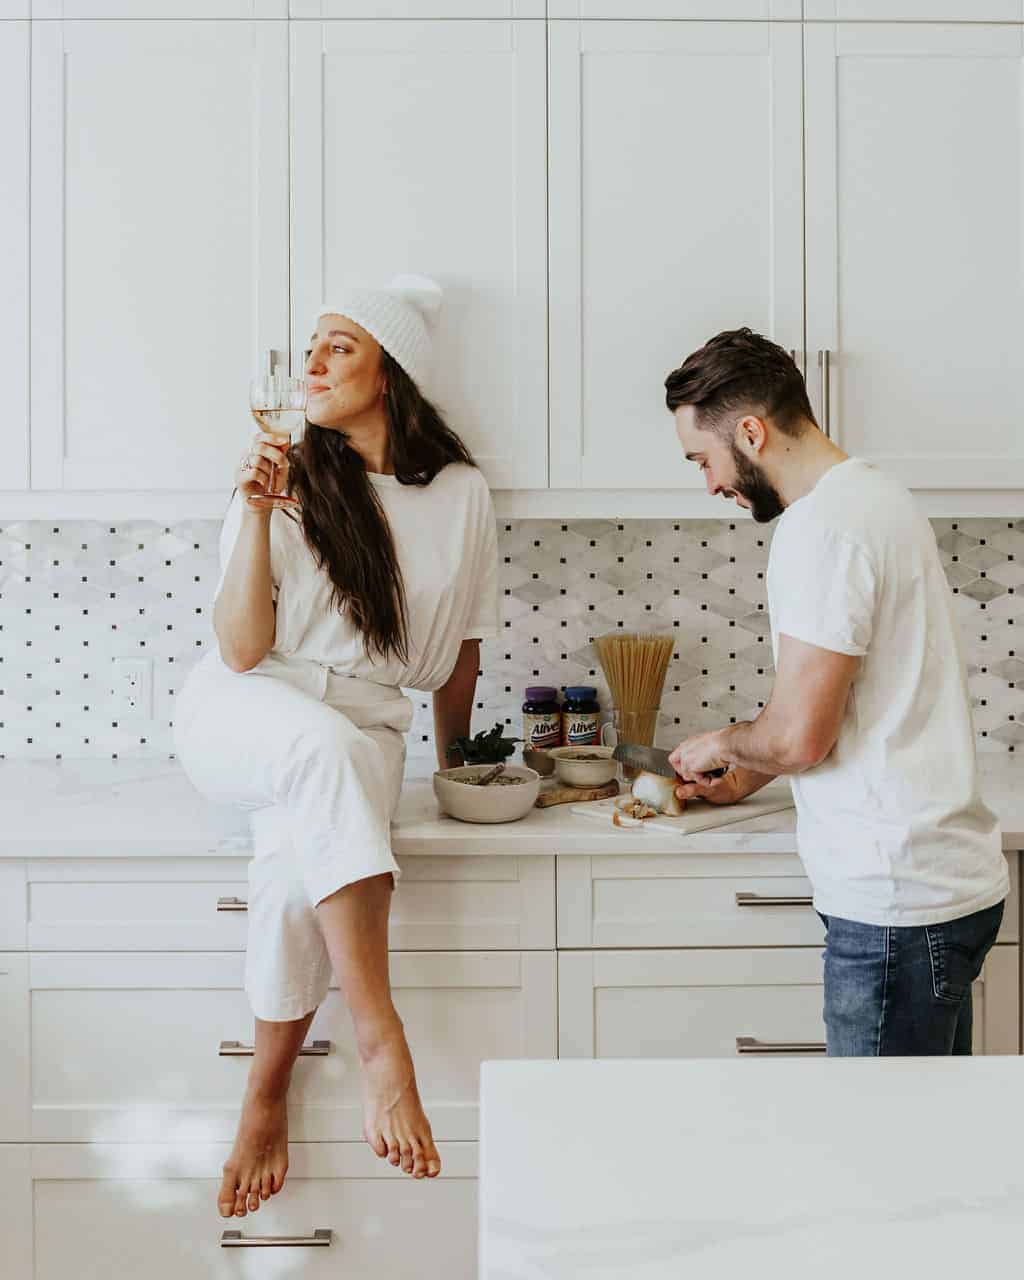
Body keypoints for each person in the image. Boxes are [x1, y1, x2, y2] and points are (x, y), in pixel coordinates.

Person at [173, 275, 500, 1216]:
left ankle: (264, 1093)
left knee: (291, 858)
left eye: (337, 347)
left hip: (370, 724)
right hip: (245, 708)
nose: (311, 364)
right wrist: (257, 515)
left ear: (391, 373)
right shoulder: (281, 471)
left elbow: (461, 651)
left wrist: (456, 776)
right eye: (309, 347)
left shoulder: (462, 495)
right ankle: (378, 1037)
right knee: (318, 754)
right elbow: (239, 648)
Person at [663, 327, 1008, 1056]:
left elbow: (798, 737)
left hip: (895, 904)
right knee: (926, 1141)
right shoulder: (876, 496)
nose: (711, 484)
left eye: (705, 459)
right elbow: (852, 701)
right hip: (937, 885)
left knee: (876, 1150)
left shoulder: (820, 529)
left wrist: (725, 742)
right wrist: (747, 776)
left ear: (750, 433)